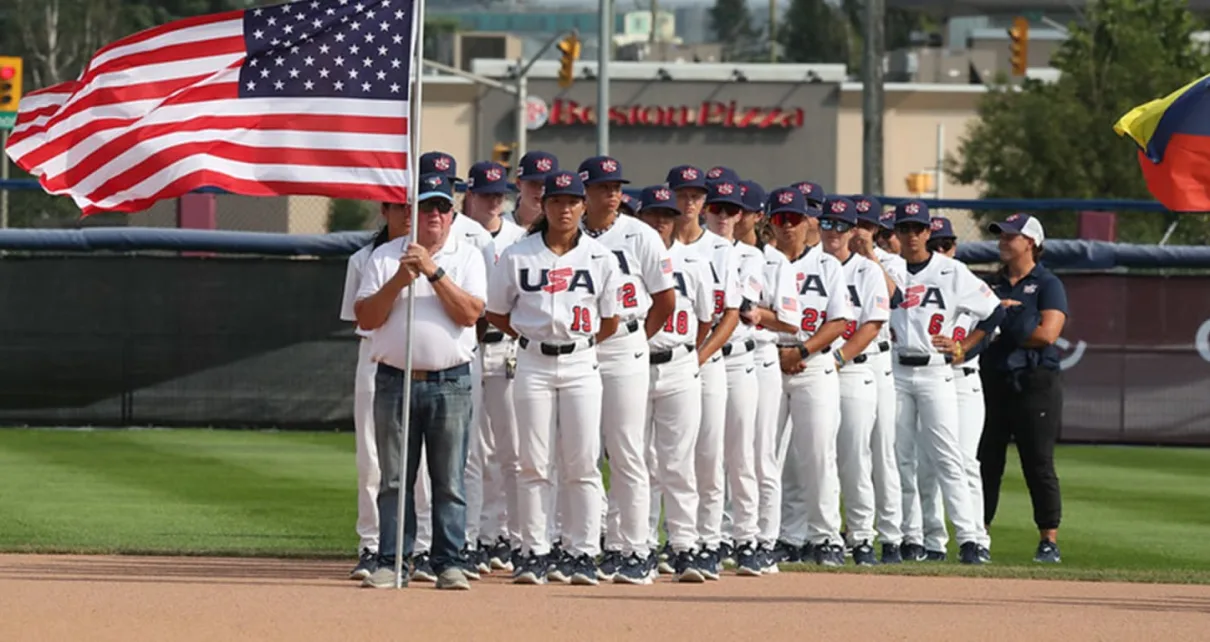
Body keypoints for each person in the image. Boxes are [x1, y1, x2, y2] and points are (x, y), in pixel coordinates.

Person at [484, 169, 622, 586]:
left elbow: (611, 320)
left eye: (572, 201)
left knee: (582, 462)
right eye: (557, 201)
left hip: (581, 361)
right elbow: (496, 312)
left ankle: (582, 551)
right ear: (544, 206)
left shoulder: (600, 257)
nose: (565, 208)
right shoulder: (518, 254)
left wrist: (577, 343)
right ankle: (534, 551)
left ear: (583, 207)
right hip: (533, 362)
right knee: (533, 462)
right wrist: (529, 337)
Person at [355, 172, 488, 590]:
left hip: (451, 381)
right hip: (396, 379)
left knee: (449, 478)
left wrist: (432, 271)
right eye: (426, 207)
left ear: (452, 215)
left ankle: (448, 561)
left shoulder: (468, 256)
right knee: (394, 479)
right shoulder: (384, 257)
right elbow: (366, 317)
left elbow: (470, 314)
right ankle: (393, 560)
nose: (434, 214)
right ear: (411, 213)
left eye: (442, 208)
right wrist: (401, 277)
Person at [577, 155, 675, 584]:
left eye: (617, 186)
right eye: (603, 187)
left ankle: (632, 547)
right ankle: (583, 541)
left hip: (624, 344)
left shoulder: (640, 234)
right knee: (578, 450)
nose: (613, 194)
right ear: (584, 193)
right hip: (579, 348)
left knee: (627, 450)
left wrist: (636, 338)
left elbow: (666, 300)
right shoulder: (563, 234)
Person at [889, 200, 999, 566]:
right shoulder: (887, 269)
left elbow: (994, 311)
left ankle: (970, 538)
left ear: (928, 232)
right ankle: (911, 537)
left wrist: (964, 347)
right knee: (901, 458)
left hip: (937, 371)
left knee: (948, 457)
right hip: (897, 370)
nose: (911, 235)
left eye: (917, 228)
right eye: (904, 228)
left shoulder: (952, 271)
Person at [702, 175, 782, 576]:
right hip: (696, 357)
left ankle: (748, 539)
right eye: (716, 207)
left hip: (737, 359)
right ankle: (706, 539)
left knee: (741, 454)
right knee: (703, 455)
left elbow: (745, 303)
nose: (724, 215)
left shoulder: (751, 256)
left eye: (731, 209)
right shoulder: (690, 249)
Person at [978, 213, 1068, 564]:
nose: (1003, 241)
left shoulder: (1048, 283)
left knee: (1038, 462)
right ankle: (978, 535)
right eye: (1001, 236)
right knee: (986, 461)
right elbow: (974, 326)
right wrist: (1004, 322)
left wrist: (1003, 323)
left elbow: (1047, 334)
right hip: (993, 378)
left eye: (1010, 236)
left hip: (1034, 382)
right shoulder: (991, 284)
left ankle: (1049, 539)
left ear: (1030, 242)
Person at [635, 185, 713, 583]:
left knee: (678, 462)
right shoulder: (628, 259)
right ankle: (641, 543)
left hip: (679, 362)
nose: (661, 221)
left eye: (667, 215)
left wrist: (689, 354)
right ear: (641, 218)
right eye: (653, 214)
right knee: (639, 461)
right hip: (635, 365)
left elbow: (705, 319)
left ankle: (683, 545)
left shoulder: (695, 262)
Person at [667, 164, 742, 579]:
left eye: (696, 195)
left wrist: (698, 356)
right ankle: (664, 539)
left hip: (705, 361)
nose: (689, 201)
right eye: (682, 193)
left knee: (708, 456)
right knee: (659, 457)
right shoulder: (658, 244)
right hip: (663, 360)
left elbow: (730, 313)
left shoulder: (721, 249)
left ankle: (708, 541)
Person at [916, 216, 997, 563]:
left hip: (962, 381)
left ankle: (977, 537)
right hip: (929, 378)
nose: (940, 250)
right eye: (933, 244)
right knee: (925, 464)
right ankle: (933, 539)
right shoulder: (919, 281)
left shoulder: (962, 279)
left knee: (962, 461)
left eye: (945, 244)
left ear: (954, 247)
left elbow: (992, 320)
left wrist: (965, 347)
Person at [463, 161, 528, 572]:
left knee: (514, 451)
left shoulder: (522, 238)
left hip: (507, 347)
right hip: (467, 347)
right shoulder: (454, 235)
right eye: (485, 192)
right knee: (470, 452)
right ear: (468, 194)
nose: (492, 200)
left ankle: (511, 537)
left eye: (498, 193)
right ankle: (470, 538)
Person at [819, 197, 891, 566]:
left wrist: (838, 357)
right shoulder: (809, 264)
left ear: (852, 231)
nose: (833, 232)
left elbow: (873, 324)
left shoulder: (867, 270)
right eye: (827, 224)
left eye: (840, 225)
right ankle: (819, 535)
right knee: (813, 457)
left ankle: (861, 536)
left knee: (854, 456)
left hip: (853, 367)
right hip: (813, 368)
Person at [734, 179, 799, 572]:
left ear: (759, 217)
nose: (734, 215)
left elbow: (791, 321)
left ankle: (764, 541)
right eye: (726, 207)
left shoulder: (775, 261)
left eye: (742, 209)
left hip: (760, 356)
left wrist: (760, 315)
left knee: (761, 455)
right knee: (724, 454)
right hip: (719, 359)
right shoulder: (717, 253)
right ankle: (727, 535)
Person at [851, 195, 906, 564]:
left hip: (878, 361)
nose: (861, 231)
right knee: (846, 452)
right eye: (857, 224)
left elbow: (896, 297)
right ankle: (854, 533)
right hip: (843, 361)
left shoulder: (890, 261)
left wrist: (870, 254)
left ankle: (891, 535)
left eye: (869, 226)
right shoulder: (831, 261)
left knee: (883, 450)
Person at [776, 180, 826, 560]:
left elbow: (841, 321)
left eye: (795, 216)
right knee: (771, 456)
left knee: (816, 455)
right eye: (782, 217)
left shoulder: (827, 264)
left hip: (813, 363)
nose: (789, 224)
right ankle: (785, 537)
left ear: (809, 222)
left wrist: (803, 349)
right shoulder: (761, 261)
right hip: (768, 364)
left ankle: (825, 538)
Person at [507, 151, 558, 228]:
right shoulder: (500, 225)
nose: (540, 190)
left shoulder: (562, 228)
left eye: (546, 184)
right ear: (518, 183)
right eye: (533, 183)